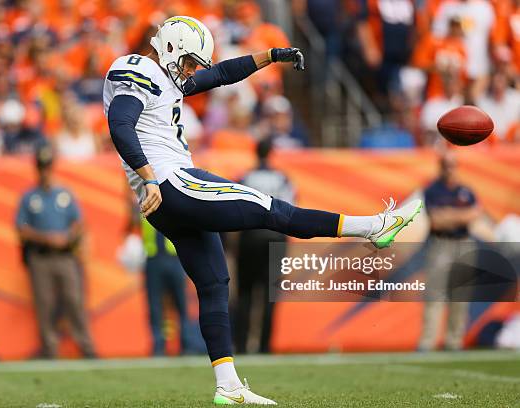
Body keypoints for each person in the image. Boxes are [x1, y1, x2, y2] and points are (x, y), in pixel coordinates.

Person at [103, 15, 422, 404]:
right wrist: (150, 177)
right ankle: (373, 226)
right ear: (169, 47)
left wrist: (270, 55)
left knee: (215, 283)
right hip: (171, 183)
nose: (189, 71)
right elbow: (120, 125)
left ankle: (228, 386)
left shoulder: (167, 78)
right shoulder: (136, 69)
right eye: (187, 61)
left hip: (165, 198)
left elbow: (219, 74)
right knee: (270, 209)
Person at [16, 142, 95, 359]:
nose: (45, 171)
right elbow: (21, 230)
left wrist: (67, 237)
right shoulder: (29, 197)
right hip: (40, 257)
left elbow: (79, 222)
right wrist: (47, 238)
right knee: (45, 304)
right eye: (41, 167)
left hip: (65, 256)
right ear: (37, 168)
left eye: (47, 166)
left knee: (74, 300)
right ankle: (49, 349)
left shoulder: (65, 194)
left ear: (52, 167)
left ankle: (86, 347)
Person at [233, 138, 294, 354]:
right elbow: (290, 211)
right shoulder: (282, 178)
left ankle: (240, 345)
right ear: (271, 154)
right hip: (276, 237)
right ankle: (264, 346)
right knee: (270, 295)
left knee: (245, 294)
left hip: (251, 236)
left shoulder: (246, 176)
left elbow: (235, 207)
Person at [418, 151, 481, 351]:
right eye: (446, 164)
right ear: (440, 166)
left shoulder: (465, 190)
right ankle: (427, 342)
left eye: (452, 164)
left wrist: (449, 215)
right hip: (441, 244)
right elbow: (436, 221)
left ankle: (454, 341)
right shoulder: (433, 191)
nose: (449, 168)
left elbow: (473, 215)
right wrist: (459, 215)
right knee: (435, 294)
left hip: (463, 242)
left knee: (460, 295)